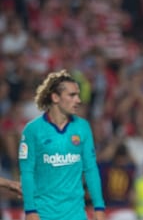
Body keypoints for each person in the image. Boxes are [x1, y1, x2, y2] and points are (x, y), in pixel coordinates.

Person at [18, 70, 106, 220]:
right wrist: (30, 210)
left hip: (76, 214)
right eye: (72, 95)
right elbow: (27, 173)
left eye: (78, 95)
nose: (78, 100)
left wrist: (99, 206)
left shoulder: (82, 127)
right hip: (44, 214)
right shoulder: (33, 130)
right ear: (55, 97)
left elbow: (90, 169)